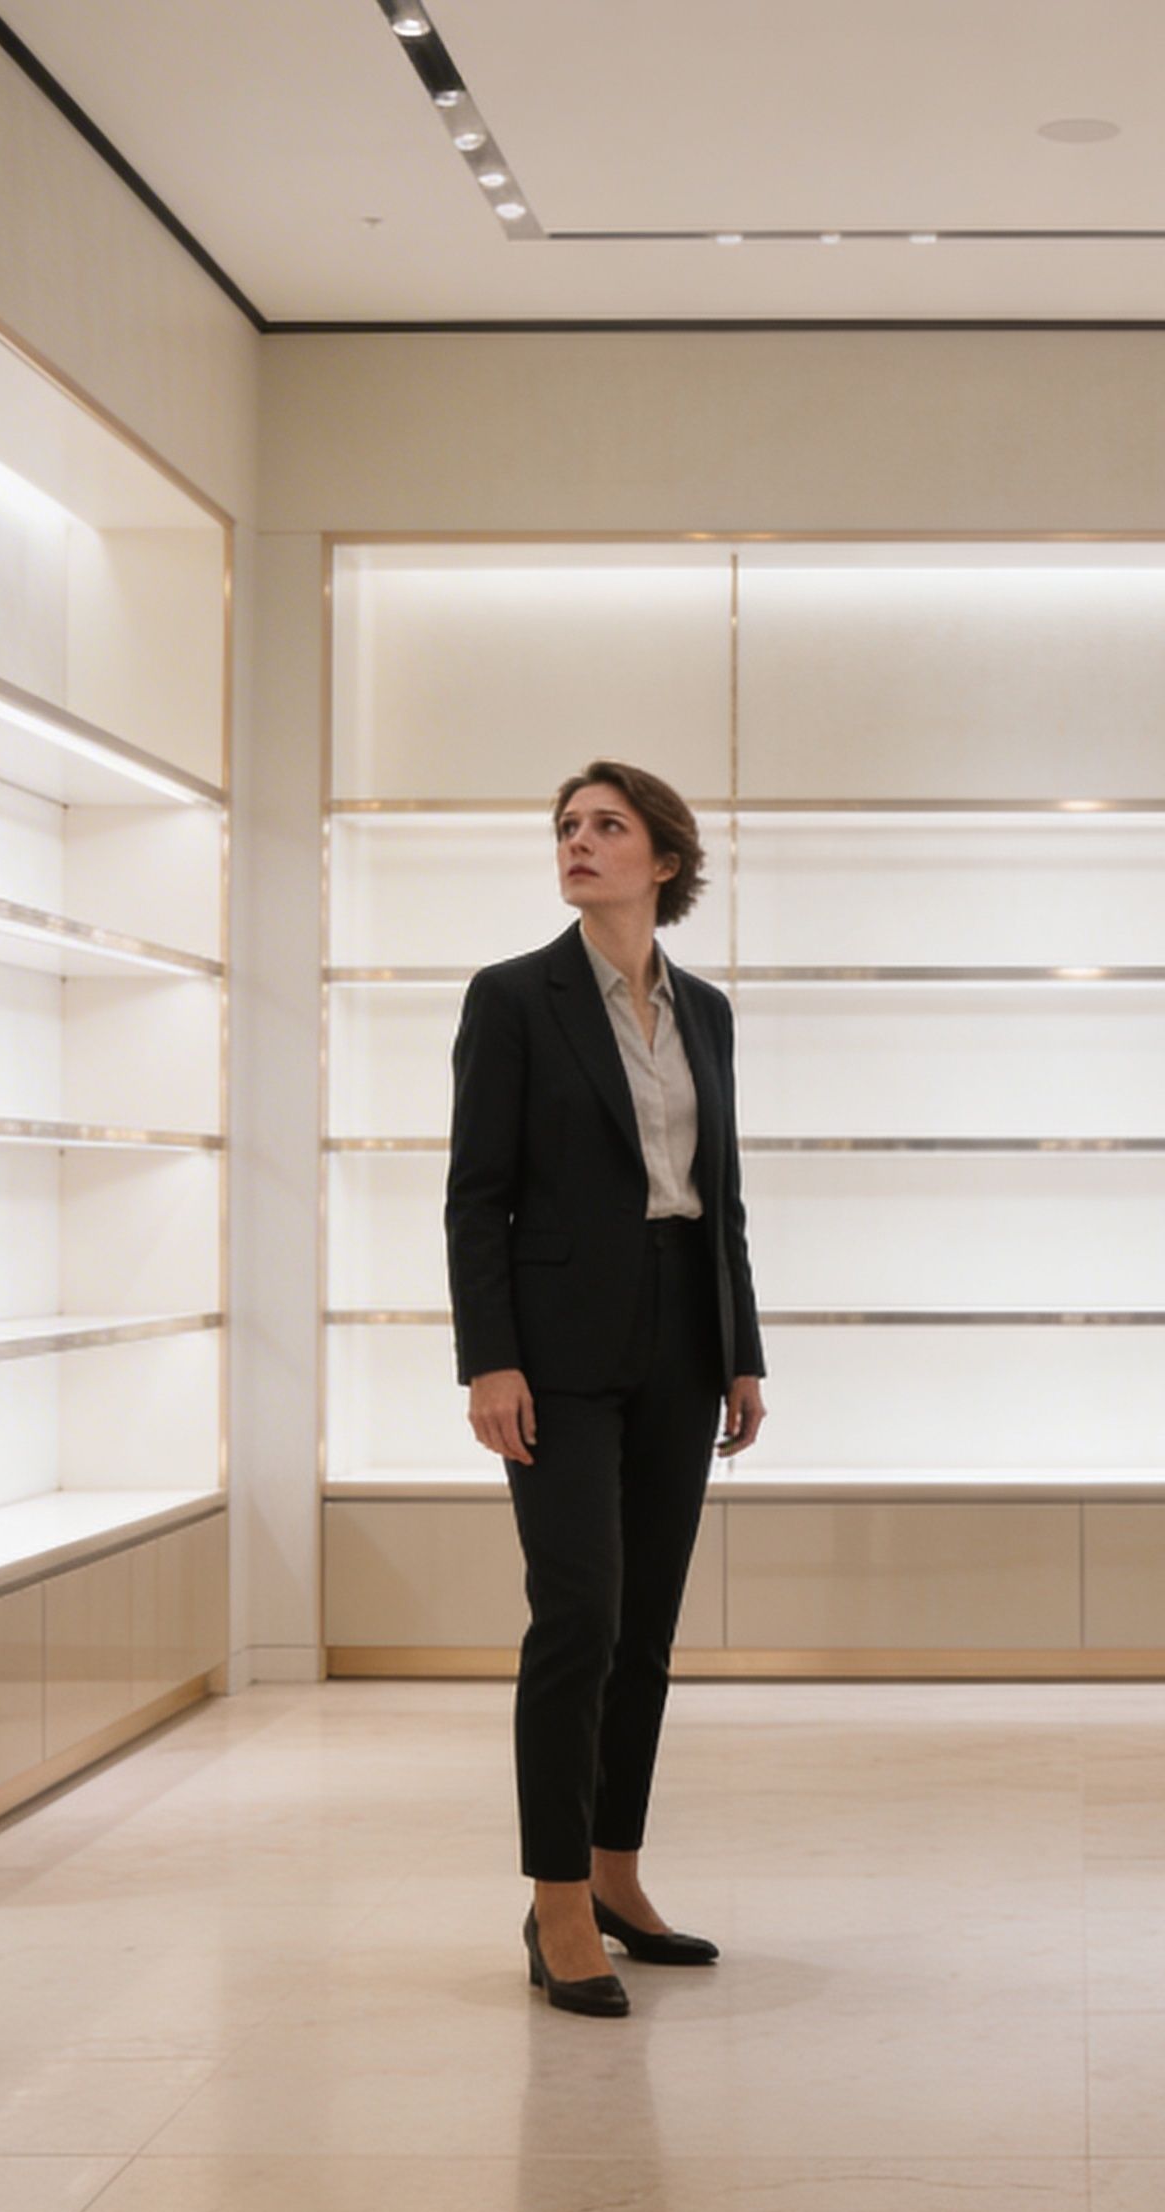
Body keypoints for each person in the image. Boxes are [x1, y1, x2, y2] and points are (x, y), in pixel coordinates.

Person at [446, 759, 767, 2017]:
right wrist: (488, 1357)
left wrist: (741, 1350)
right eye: (568, 827)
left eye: (608, 827)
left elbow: (721, 1194)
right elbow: (478, 1194)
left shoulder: (708, 1012)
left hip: (684, 1336)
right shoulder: (514, 999)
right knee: (575, 1619)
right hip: (558, 1352)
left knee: (645, 1632)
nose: (579, 843)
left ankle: (620, 1879)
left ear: (663, 862)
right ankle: (556, 1903)